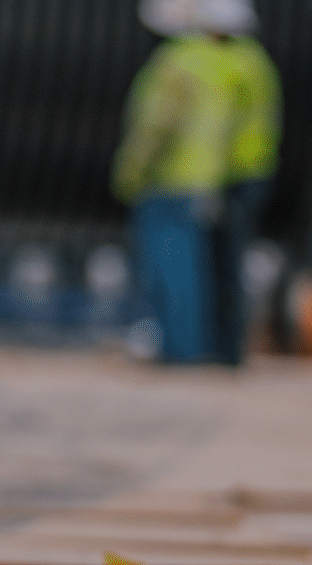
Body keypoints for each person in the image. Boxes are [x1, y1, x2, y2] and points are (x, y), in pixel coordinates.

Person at [113, 0, 245, 363]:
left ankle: (177, 351)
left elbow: (155, 125)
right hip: (204, 181)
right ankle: (192, 347)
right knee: (190, 272)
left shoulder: (174, 63)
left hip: (167, 180)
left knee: (167, 271)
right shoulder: (219, 64)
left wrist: (130, 172)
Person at [207, 0, 280, 366]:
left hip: (237, 175)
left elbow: (216, 124)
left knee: (227, 262)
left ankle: (228, 349)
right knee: (232, 260)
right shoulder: (257, 61)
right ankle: (229, 348)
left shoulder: (232, 65)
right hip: (254, 172)